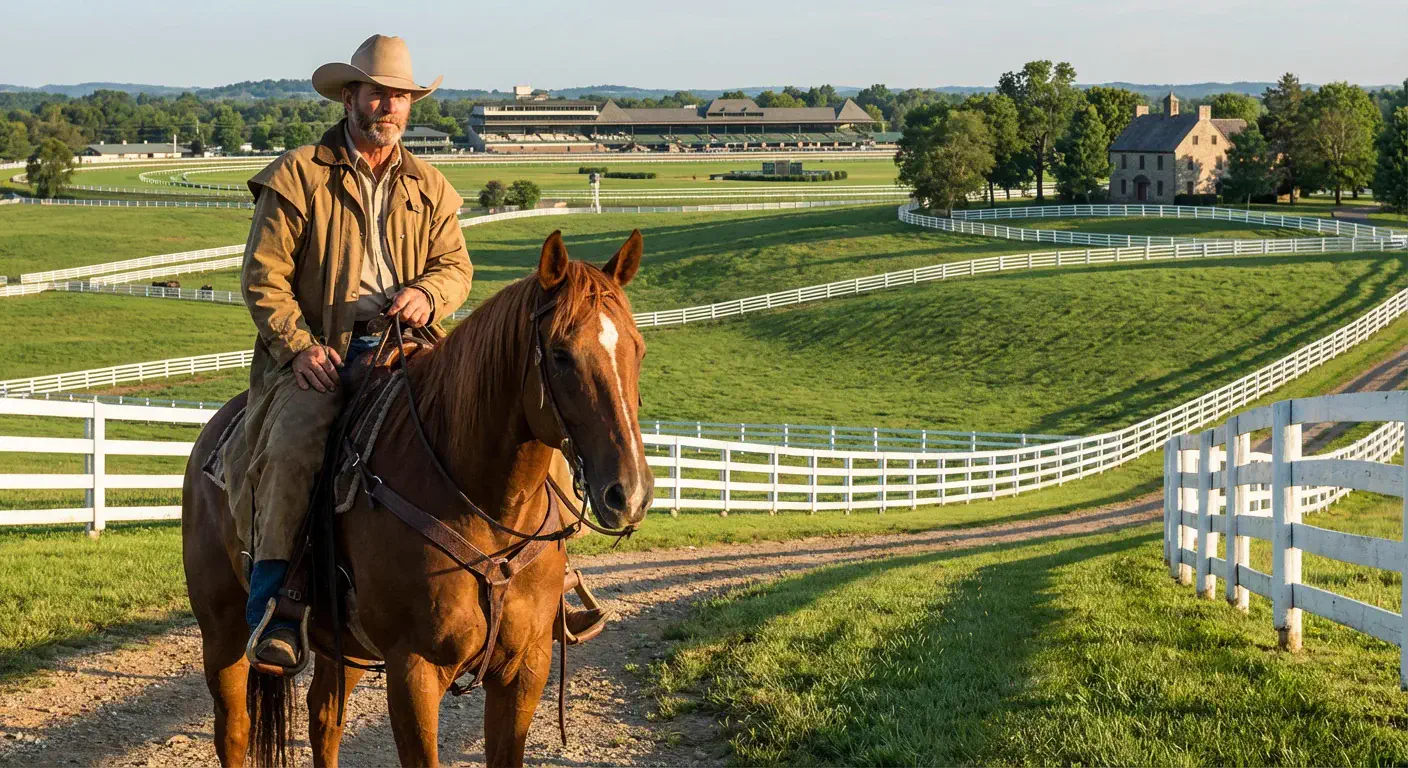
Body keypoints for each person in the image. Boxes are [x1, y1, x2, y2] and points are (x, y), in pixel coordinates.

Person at [235, 34, 471, 668]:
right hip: (324, 352)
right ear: (350, 97)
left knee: (496, 417)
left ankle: (545, 581)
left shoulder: (431, 186)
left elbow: (455, 267)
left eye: (400, 97)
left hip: (409, 344)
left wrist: (428, 292)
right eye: (377, 94)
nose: (388, 108)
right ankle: (278, 606)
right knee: (294, 446)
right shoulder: (298, 175)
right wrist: (298, 349)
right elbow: (264, 279)